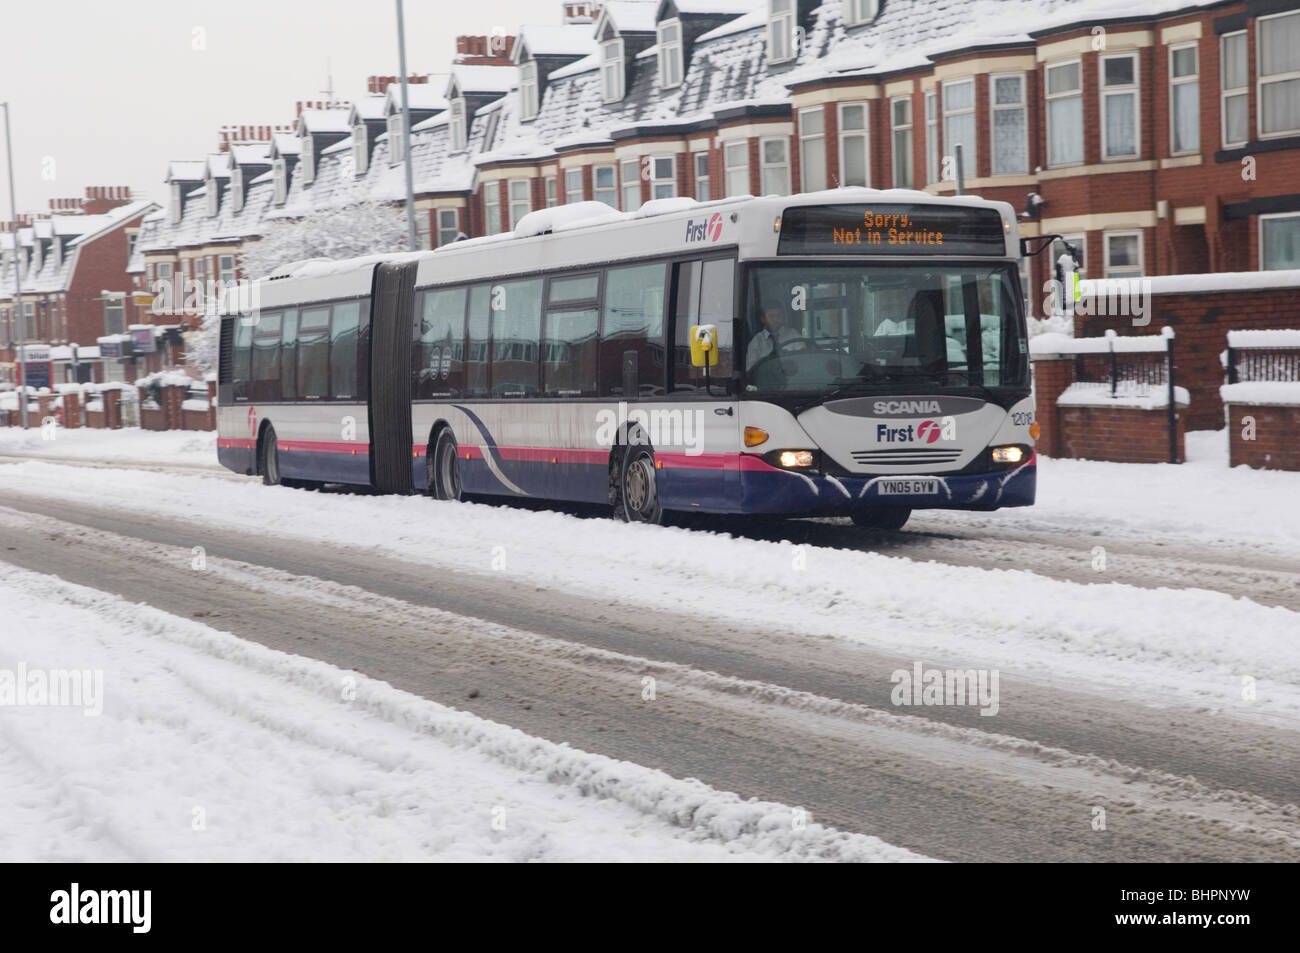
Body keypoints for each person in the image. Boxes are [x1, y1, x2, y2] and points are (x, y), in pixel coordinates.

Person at [745, 305, 801, 371]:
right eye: (771, 316)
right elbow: (750, 370)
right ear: (763, 319)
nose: (775, 320)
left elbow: (802, 359)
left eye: (779, 316)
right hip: (767, 379)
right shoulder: (756, 341)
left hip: (792, 377)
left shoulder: (793, 334)